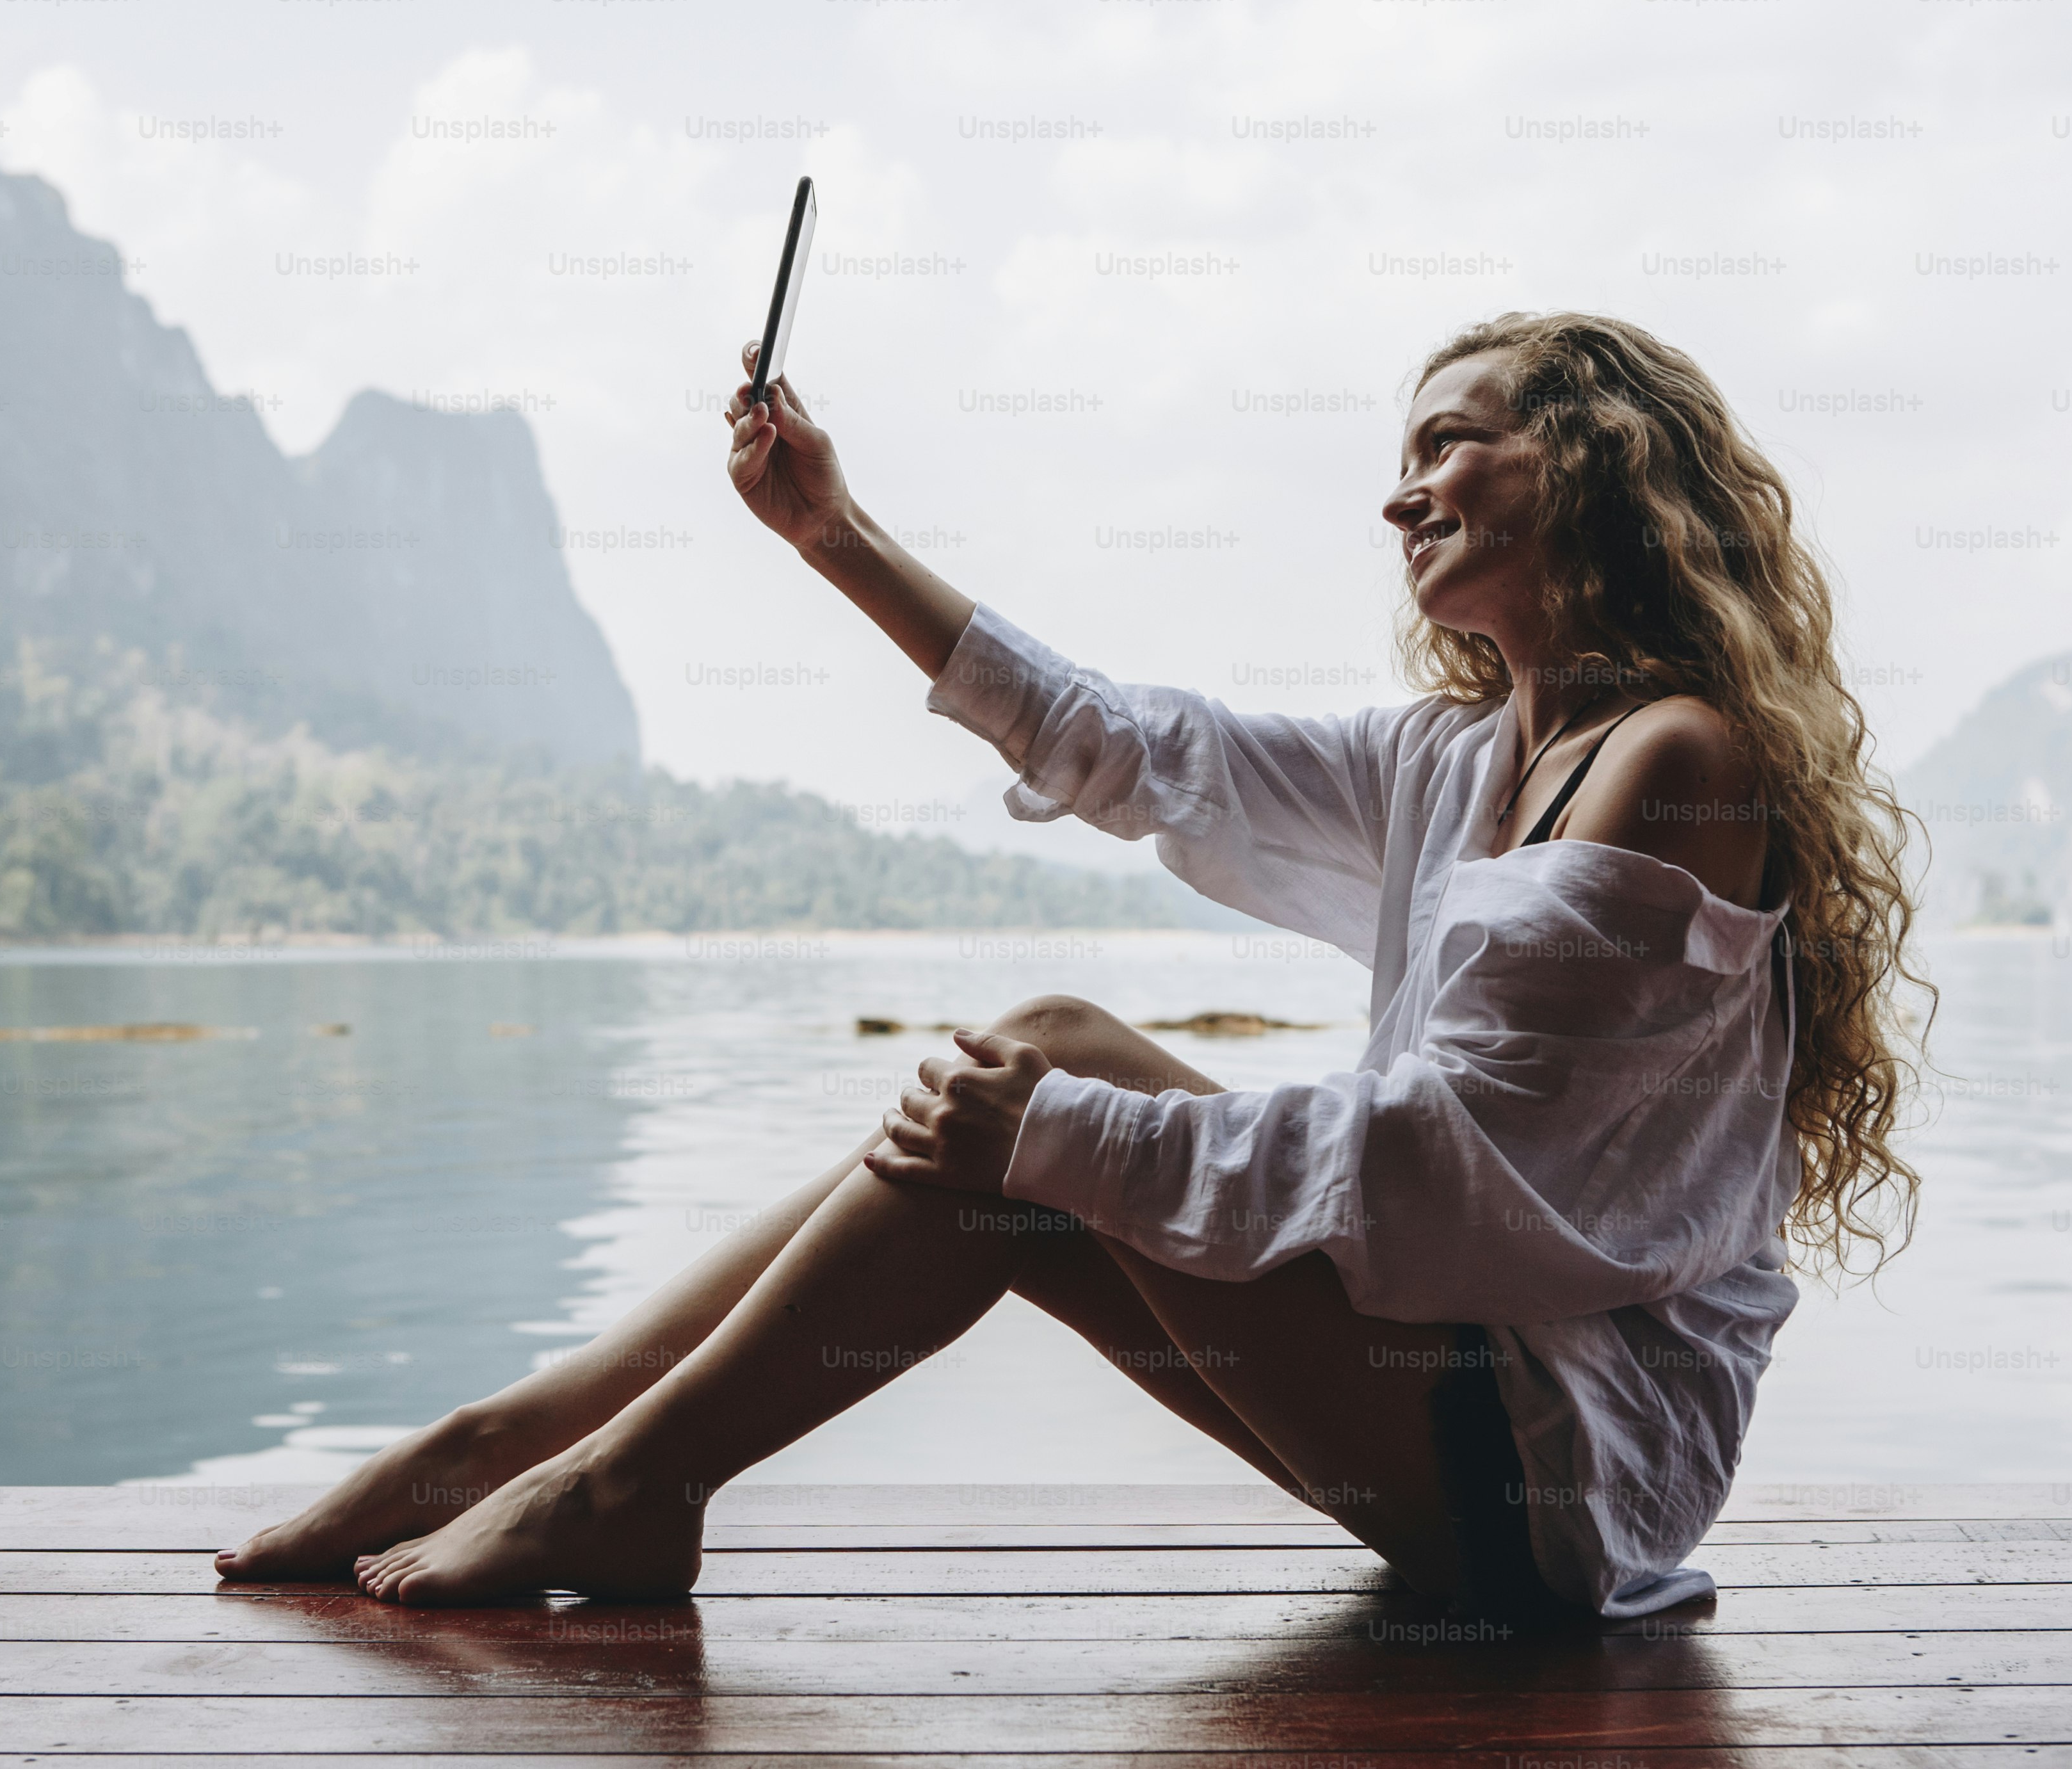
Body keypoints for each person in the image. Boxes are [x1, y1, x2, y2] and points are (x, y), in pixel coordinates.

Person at [216, 310, 1925, 1619]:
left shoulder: (1675, 757)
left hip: (1564, 1481)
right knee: (1038, 1077)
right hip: (1446, 1408)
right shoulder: (1457, 758)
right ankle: (532, 1446)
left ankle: (605, 1481)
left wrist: (1052, 1136)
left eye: (1450, 442)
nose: (1399, 490)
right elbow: (1129, 749)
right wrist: (831, 534)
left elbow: (1465, 1185)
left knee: (1041, 1094)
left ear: (1593, 460)